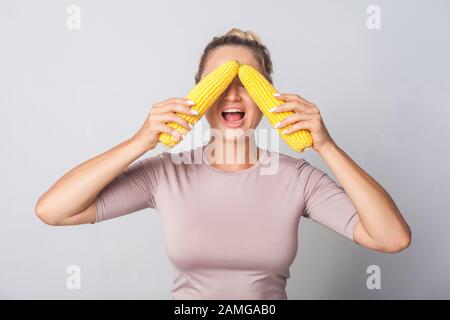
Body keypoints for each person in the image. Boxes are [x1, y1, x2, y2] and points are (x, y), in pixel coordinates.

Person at [35, 28, 411, 299]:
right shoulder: (165, 173)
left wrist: (326, 145)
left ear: (269, 96)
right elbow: (53, 211)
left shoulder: (297, 178)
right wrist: (140, 142)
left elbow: (391, 237)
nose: (232, 94)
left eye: (248, 82)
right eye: (219, 81)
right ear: (198, 89)